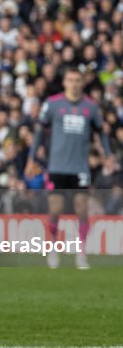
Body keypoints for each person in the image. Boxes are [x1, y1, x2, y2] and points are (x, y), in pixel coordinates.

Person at [26, 67, 116, 269]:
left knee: (82, 210)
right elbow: (40, 132)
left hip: (80, 167)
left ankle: (81, 253)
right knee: (55, 209)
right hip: (57, 166)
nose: (74, 83)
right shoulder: (53, 104)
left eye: (78, 80)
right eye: (71, 80)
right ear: (65, 82)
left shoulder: (91, 107)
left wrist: (108, 154)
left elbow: (101, 133)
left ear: (82, 83)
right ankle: (53, 247)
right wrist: (31, 158)